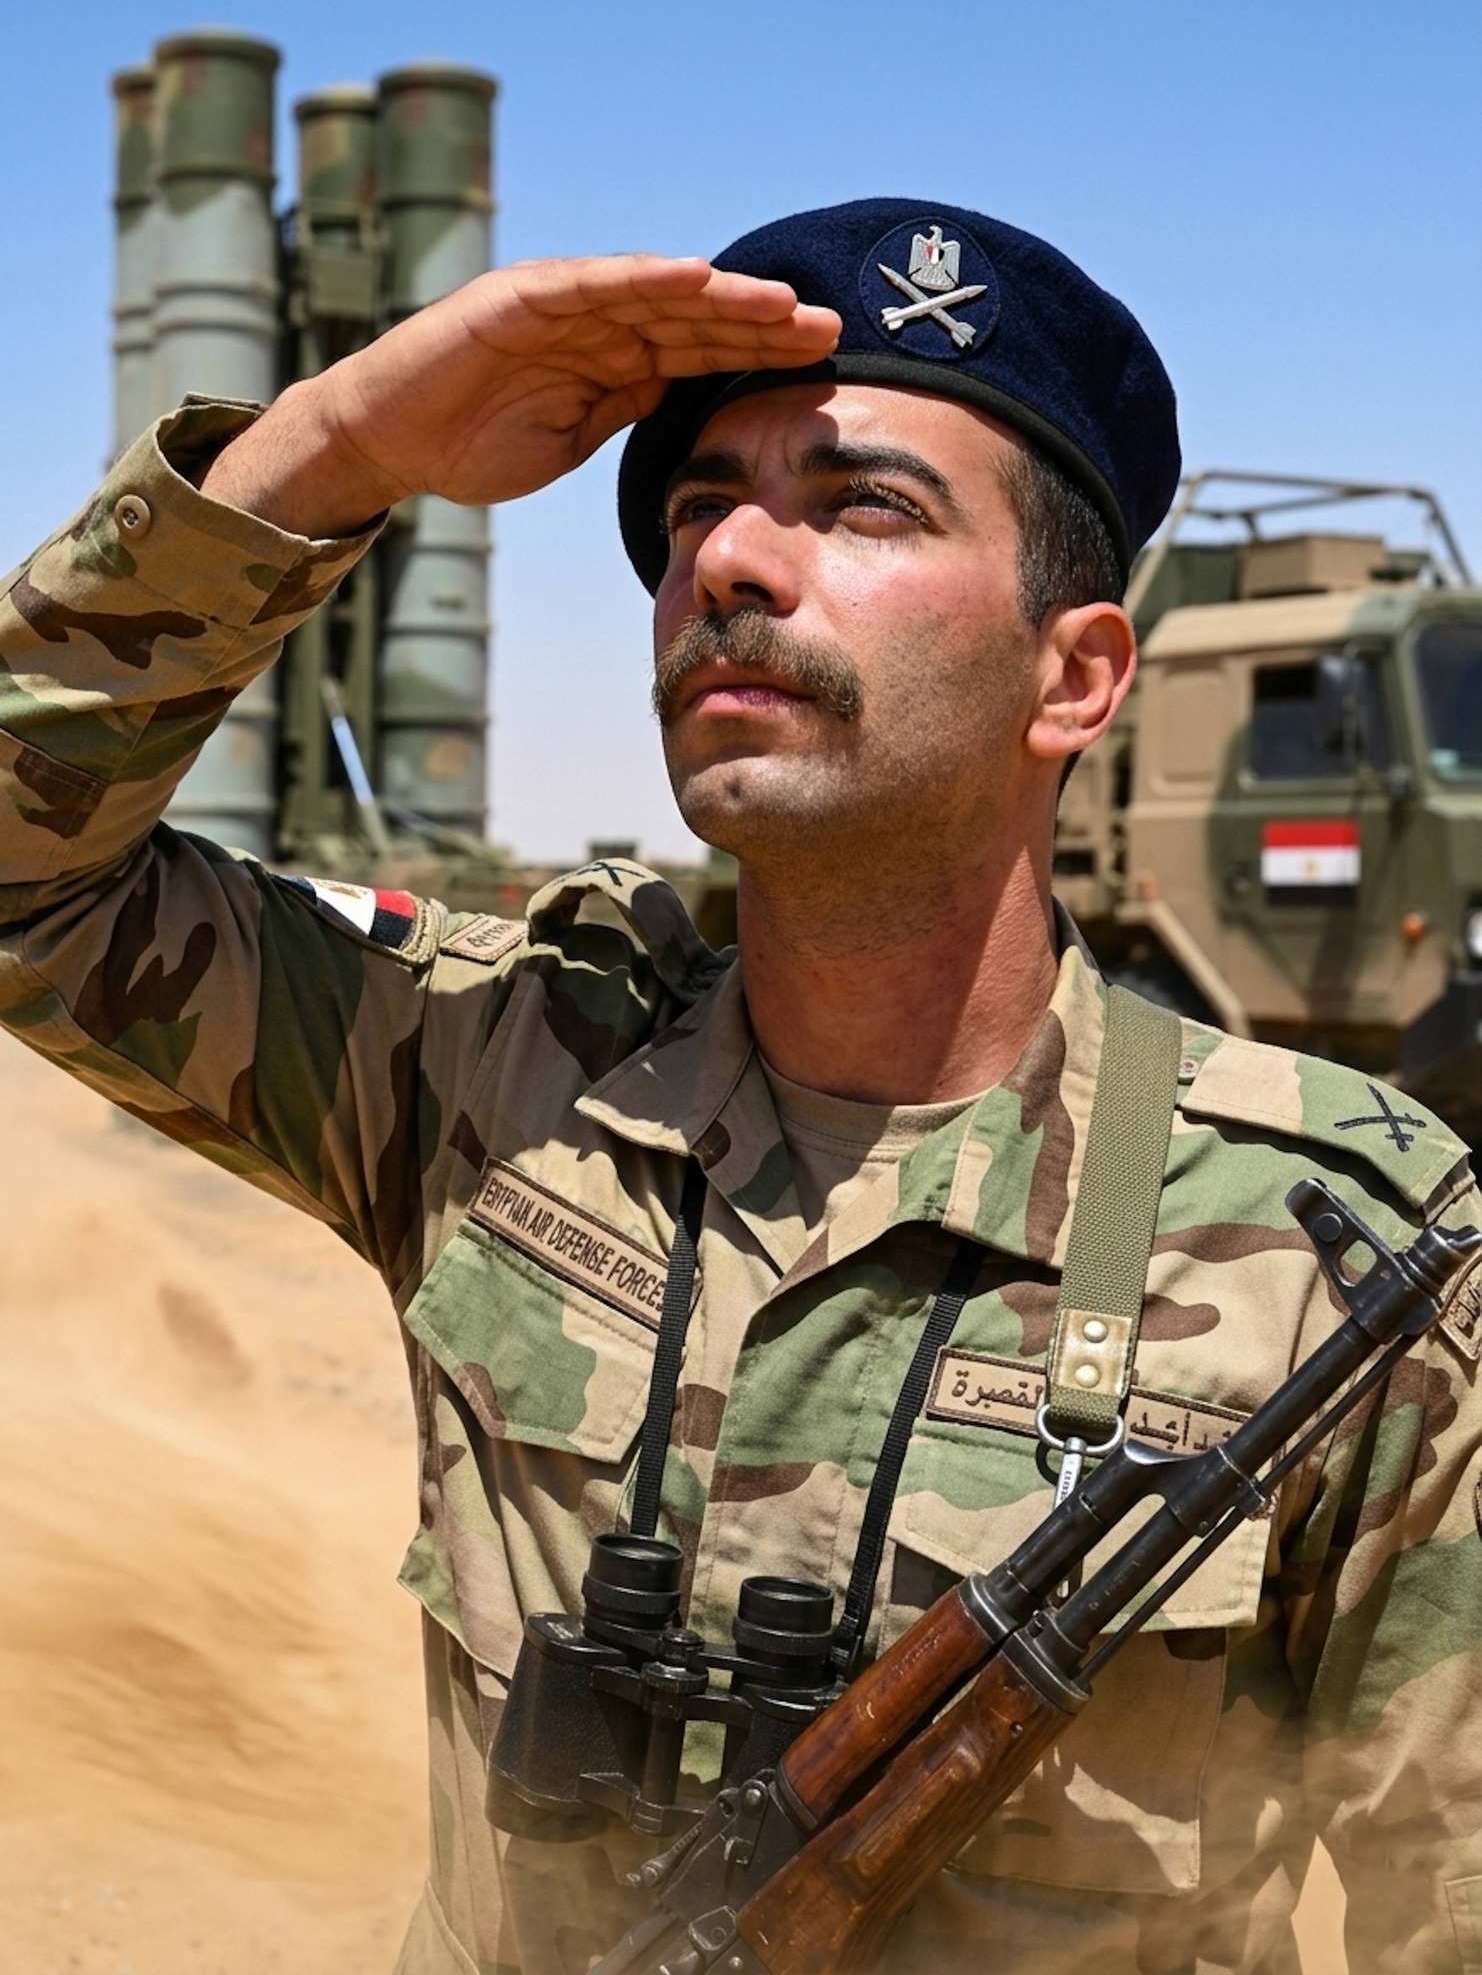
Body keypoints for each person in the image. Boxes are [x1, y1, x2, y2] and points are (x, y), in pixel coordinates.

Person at [0, 198, 1478, 1975]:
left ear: (1074, 675)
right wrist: (335, 445)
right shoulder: (494, 1066)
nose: (731, 563)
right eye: (700, 508)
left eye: (863, 507)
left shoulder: (1342, 1248)